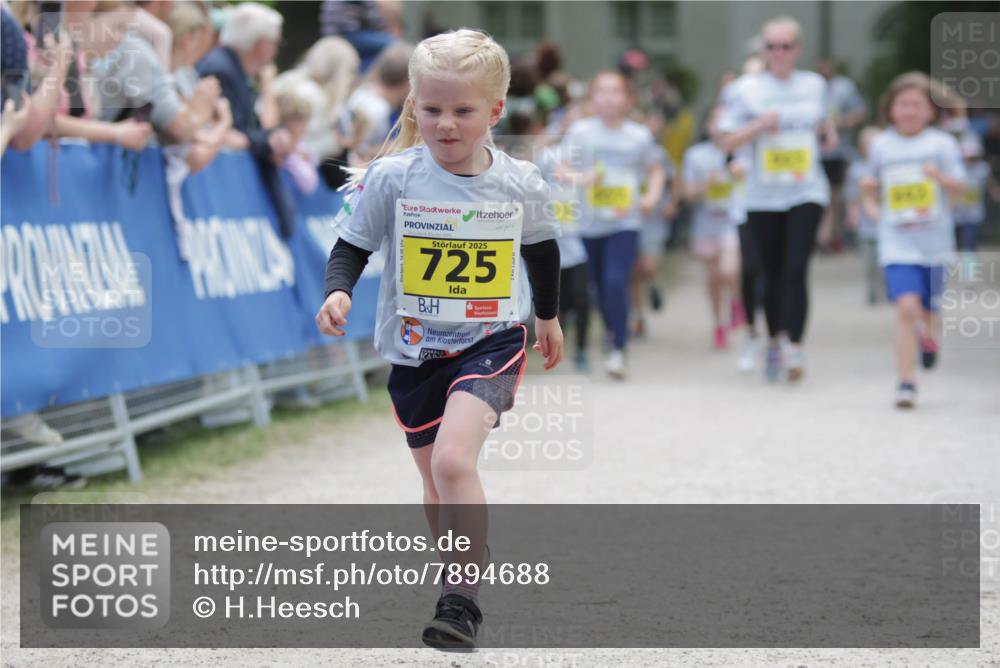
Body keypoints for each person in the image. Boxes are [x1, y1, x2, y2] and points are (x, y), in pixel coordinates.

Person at [315, 29, 563, 650]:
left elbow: (542, 250)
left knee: (455, 462)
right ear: (413, 106)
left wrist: (549, 318)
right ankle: (462, 561)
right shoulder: (395, 178)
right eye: (432, 110)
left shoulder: (520, 182)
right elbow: (351, 244)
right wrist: (337, 290)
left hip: (490, 340)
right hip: (415, 349)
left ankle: (460, 602)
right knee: (435, 485)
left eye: (463, 111)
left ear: (495, 113)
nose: (446, 125)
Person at [719, 16, 836, 382]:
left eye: (786, 46)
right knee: (769, 273)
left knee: (796, 268)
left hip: (806, 189)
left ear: (797, 50)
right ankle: (773, 338)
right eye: (772, 46)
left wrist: (827, 135)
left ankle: (794, 347)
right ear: (764, 50)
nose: (779, 53)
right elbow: (726, 141)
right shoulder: (745, 89)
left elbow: (825, 129)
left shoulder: (814, 85)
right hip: (761, 195)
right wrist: (758, 126)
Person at [860, 72, 966, 409]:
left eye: (917, 105)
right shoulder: (881, 145)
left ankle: (929, 339)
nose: (910, 111)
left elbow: (960, 188)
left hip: (935, 242)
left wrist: (939, 177)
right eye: (903, 105)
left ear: (930, 112)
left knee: (929, 309)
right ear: (891, 110)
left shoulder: (942, 144)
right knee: (907, 307)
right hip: (897, 241)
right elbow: (870, 188)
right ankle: (906, 382)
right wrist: (869, 203)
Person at [557, 70, 665, 379]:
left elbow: (656, 170)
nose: (608, 97)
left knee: (616, 281)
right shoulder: (580, 132)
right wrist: (582, 178)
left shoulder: (639, 135)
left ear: (627, 99)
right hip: (588, 223)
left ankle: (618, 348)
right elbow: (562, 168)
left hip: (624, 221)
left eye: (615, 91)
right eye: (601, 91)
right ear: (593, 99)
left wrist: (651, 197)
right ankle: (612, 331)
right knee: (599, 287)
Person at [196, 2, 296, 237]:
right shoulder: (221, 69)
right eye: (277, 43)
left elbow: (248, 131)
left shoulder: (236, 69)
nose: (277, 51)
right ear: (262, 45)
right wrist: (263, 141)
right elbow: (234, 131)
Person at [683, 107, 743, 350]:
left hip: (733, 220)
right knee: (714, 277)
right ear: (709, 127)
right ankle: (719, 323)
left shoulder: (743, 152)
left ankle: (737, 302)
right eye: (716, 122)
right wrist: (705, 185)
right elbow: (687, 194)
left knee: (729, 270)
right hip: (705, 222)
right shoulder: (696, 155)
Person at [816, 59, 866, 252]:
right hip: (815, 154)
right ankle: (824, 235)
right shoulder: (811, 89)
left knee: (836, 197)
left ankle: (832, 235)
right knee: (825, 196)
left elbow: (859, 112)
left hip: (839, 151)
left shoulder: (844, 87)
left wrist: (840, 123)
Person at [844, 126, 883, 305]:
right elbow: (852, 197)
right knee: (870, 260)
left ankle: (889, 291)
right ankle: (872, 289)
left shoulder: (890, 165)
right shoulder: (857, 170)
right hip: (866, 224)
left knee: (887, 260)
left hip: (889, 224)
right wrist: (853, 216)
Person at [953, 137, 999, 270]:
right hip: (954, 212)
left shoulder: (982, 169)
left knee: (969, 243)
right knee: (952, 243)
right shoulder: (955, 168)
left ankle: (969, 271)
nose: (969, 159)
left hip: (973, 213)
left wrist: (995, 191)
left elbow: (990, 183)